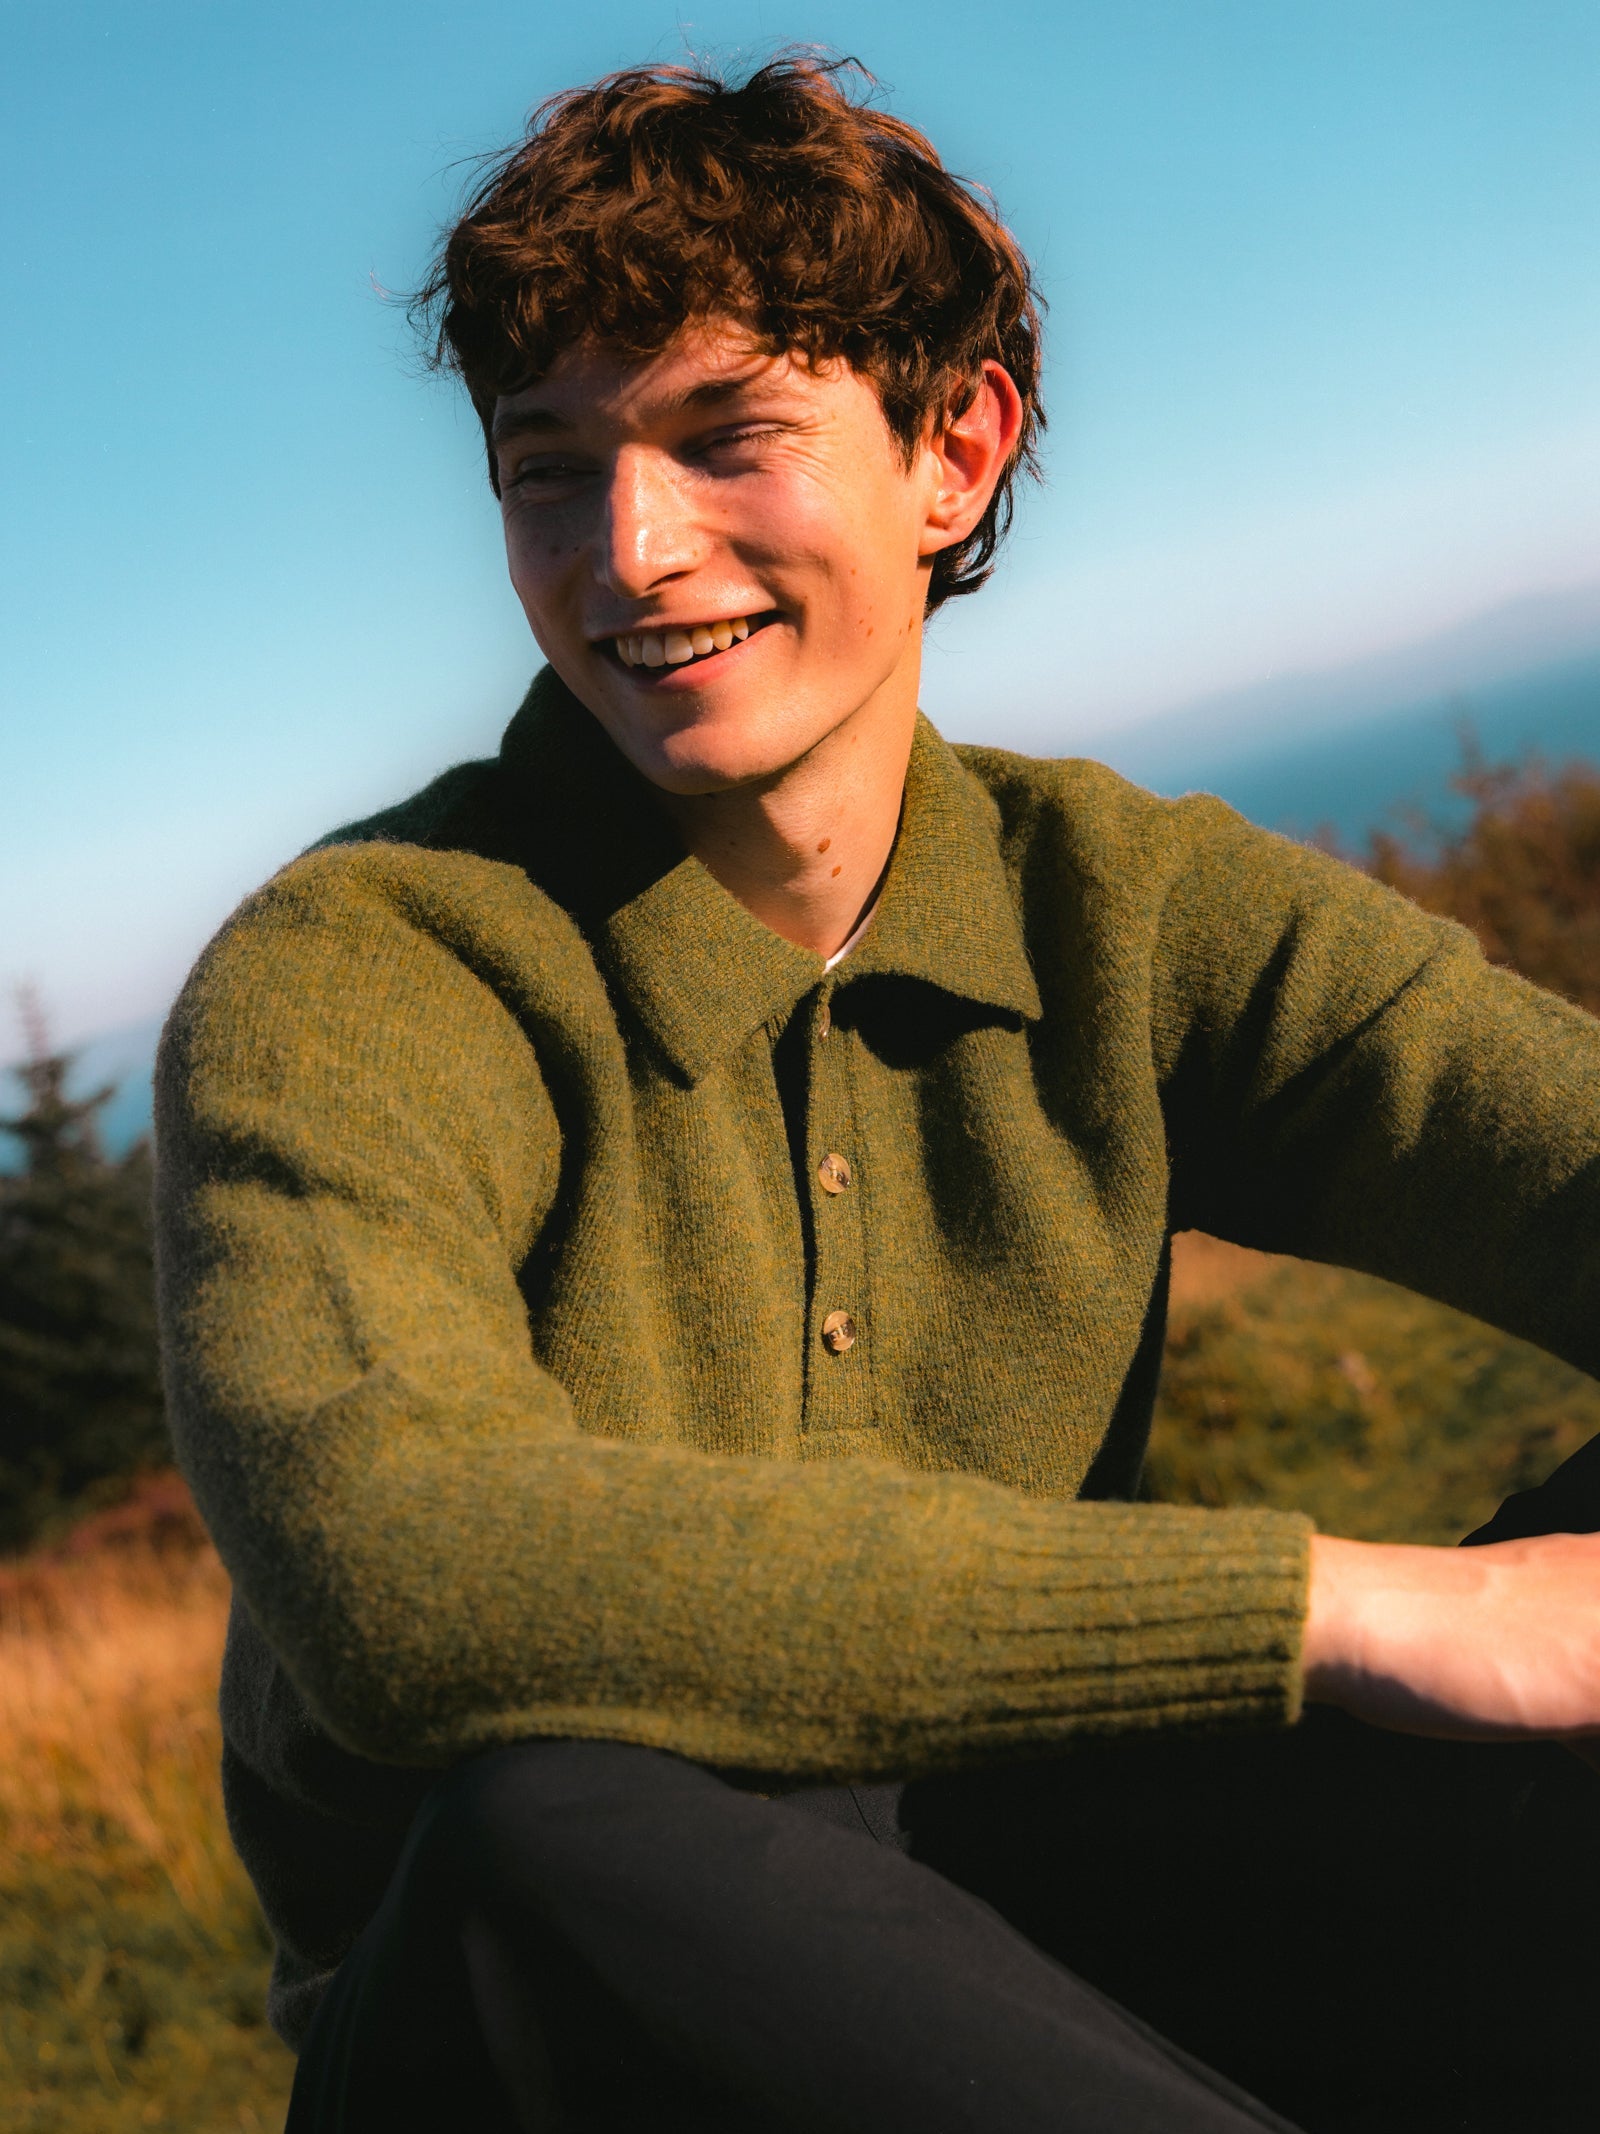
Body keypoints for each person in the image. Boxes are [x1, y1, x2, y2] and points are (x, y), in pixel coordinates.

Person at [153, 55, 1600, 2134]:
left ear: (954, 448)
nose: (627, 552)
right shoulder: (364, 968)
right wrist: (1356, 1602)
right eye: (545, 468)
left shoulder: (1121, 900)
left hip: (1029, 1897)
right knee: (557, 1813)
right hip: (546, 2022)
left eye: (720, 434)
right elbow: (405, 1567)